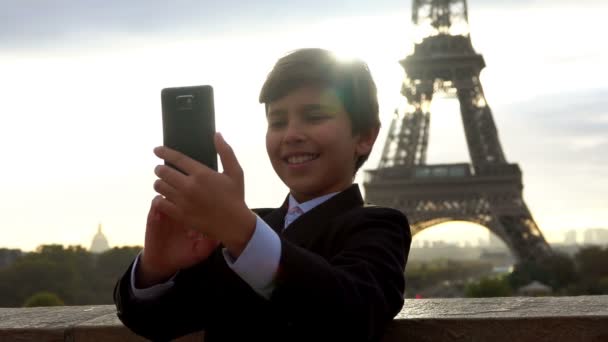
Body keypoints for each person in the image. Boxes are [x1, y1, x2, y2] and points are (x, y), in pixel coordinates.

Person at [113, 48, 411, 342]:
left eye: (315, 116)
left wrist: (242, 231)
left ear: (365, 137)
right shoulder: (240, 231)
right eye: (277, 122)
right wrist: (155, 268)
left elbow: (354, 316)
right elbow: (156, 323)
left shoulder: (379, 226)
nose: (291, 134)